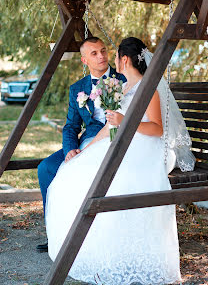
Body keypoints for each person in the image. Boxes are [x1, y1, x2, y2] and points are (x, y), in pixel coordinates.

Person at [45, 37, 195, 284]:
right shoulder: (122, 88)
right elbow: (108, 125)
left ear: (123, 59)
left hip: (148, 147)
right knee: (71, 173)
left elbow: (157, 129)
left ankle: (118, 246)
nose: (111, 60)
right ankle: (88, 247)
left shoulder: (150, 88)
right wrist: (87, 149)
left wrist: (124, 121)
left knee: (112, 180)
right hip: (123, 143)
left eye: (113, 55)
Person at [36, 37, 126, 252]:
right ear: (84, 60)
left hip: (116, 140)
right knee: (46, 168)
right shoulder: (78, 88)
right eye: (94, 53)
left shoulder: (123, 79)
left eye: (103, 50)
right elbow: (70, 126)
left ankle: (92, 236)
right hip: (86, 142)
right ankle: (56, 234)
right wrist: (69, 150)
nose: (101, 56)